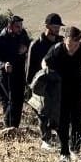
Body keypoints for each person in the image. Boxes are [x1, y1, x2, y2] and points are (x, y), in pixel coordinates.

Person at [43, 26, 81, 162]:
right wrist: (46, 71)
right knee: (63, 121)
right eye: (70, 44)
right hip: (60, 90)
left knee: (77, 120)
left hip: (78, 90)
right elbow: (45, 61)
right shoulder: (57, 49)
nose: (72, 48)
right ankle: (64, 151)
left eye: (76, 44)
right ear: (65, 40)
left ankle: (75, 149)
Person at [26, 13, 64, 151]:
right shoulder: (36, 45)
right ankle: (45, 140)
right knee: (43, 113)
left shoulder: (61, 43)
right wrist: (31, 87)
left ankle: (59, 137)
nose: (57, 29)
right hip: (41, 85)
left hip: (58, 84)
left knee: (59, 113)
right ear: (47, 26)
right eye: (54, 26)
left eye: (58, 27)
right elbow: (30, 69)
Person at [0, 15, 31, 128]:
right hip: (4, 74)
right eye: (17, 26)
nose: (20, 29)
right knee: (10, 100)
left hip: (19, 72)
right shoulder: (0, 39)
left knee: (19, 100)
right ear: (10, 26)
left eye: (21, 26)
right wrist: (3, 65)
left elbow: (29, 43)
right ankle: (8, 128)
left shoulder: (22, 34)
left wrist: (26, 48)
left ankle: (15, 127)